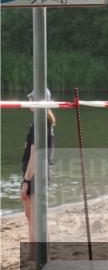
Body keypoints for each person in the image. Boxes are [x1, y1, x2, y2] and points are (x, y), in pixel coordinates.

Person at [20, 90, 55, 246]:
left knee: (36, 218)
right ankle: (35, 253)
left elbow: (35, 155)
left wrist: (26, 181)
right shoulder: (42, 121)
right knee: (32, 216)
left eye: (32, 98)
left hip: (35, 174)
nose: (29, 101)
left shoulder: (41, 123)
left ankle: (39, 254)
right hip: (37, 172)